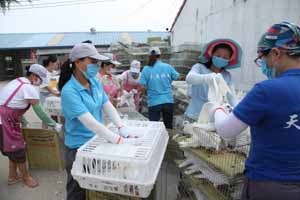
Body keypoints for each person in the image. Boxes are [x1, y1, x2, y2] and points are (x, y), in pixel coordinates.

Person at [210, 21, 300, 200]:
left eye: (263, 59)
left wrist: (217, 108)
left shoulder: (267, 90)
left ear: (275, 53)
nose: (265, 65)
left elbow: (227, 130)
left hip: (270, 185)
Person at [58, 43, 142, 200]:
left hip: (97, 142)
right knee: (78, 189)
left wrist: (121, 127)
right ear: (77, 62)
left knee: (95, 186)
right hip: (78, 148)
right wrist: (117, 139)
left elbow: (107, 105)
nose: (96, 66)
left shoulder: (94, 82)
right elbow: (90, 123)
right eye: (93, 62)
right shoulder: (69, 91)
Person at [0, 64, 62, 188]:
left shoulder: (17, 82)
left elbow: (11, 104)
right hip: (4, 122)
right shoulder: (28, 88)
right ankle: (26, 177)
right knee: (19, 150)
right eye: (39, 79)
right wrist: (54, 124)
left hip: (7, 120)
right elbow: (39, 111)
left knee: (11, 149)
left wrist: (23, 121)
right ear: (34, 76)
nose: (40, 83)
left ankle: (12, 176)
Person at [185, 39, 242, 121]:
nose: (221, 59)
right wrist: (208, 78)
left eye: (225, 57)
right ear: (212, 55)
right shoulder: (199, 68)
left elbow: (231, 97)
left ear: (228, 60)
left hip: (213, 118)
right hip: (194, 115)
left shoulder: (227, 76)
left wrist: (238, 113)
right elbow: (189, 78)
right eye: (218, 55)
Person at [139, 47, 179, 129]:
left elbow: (142, 87)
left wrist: (144, 93)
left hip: (154, 102)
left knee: (154, 127)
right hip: (168, 100)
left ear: (149, 56)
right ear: (160, 56)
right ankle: (168, 140)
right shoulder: (168, 67)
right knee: (168, 126)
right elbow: (177, 77)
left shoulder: (146, 69)